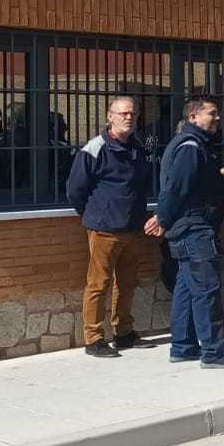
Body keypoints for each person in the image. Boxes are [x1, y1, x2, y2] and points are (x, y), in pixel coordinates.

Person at [157, 96, 224, 369]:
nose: (218, 118)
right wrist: (163, 217)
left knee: (186, 288)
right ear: (194, 117)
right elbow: (176, 188)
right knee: (207, 290)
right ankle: (213, 352)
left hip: (190, 227)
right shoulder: (190, 147)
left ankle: (183, 346)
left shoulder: (195, 144)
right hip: (194, 228)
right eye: (212, 113)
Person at [67, 97, 157, 358]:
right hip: (104, 229)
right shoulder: (94, 149)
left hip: (134, 228)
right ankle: (94, 338)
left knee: (127, 283)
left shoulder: (138, 147)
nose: (129, 117)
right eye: (123, 113)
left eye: (133, 114)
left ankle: (124, 333)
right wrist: (93, 214)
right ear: (110, 117)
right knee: (98, 284)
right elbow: (75, 190)